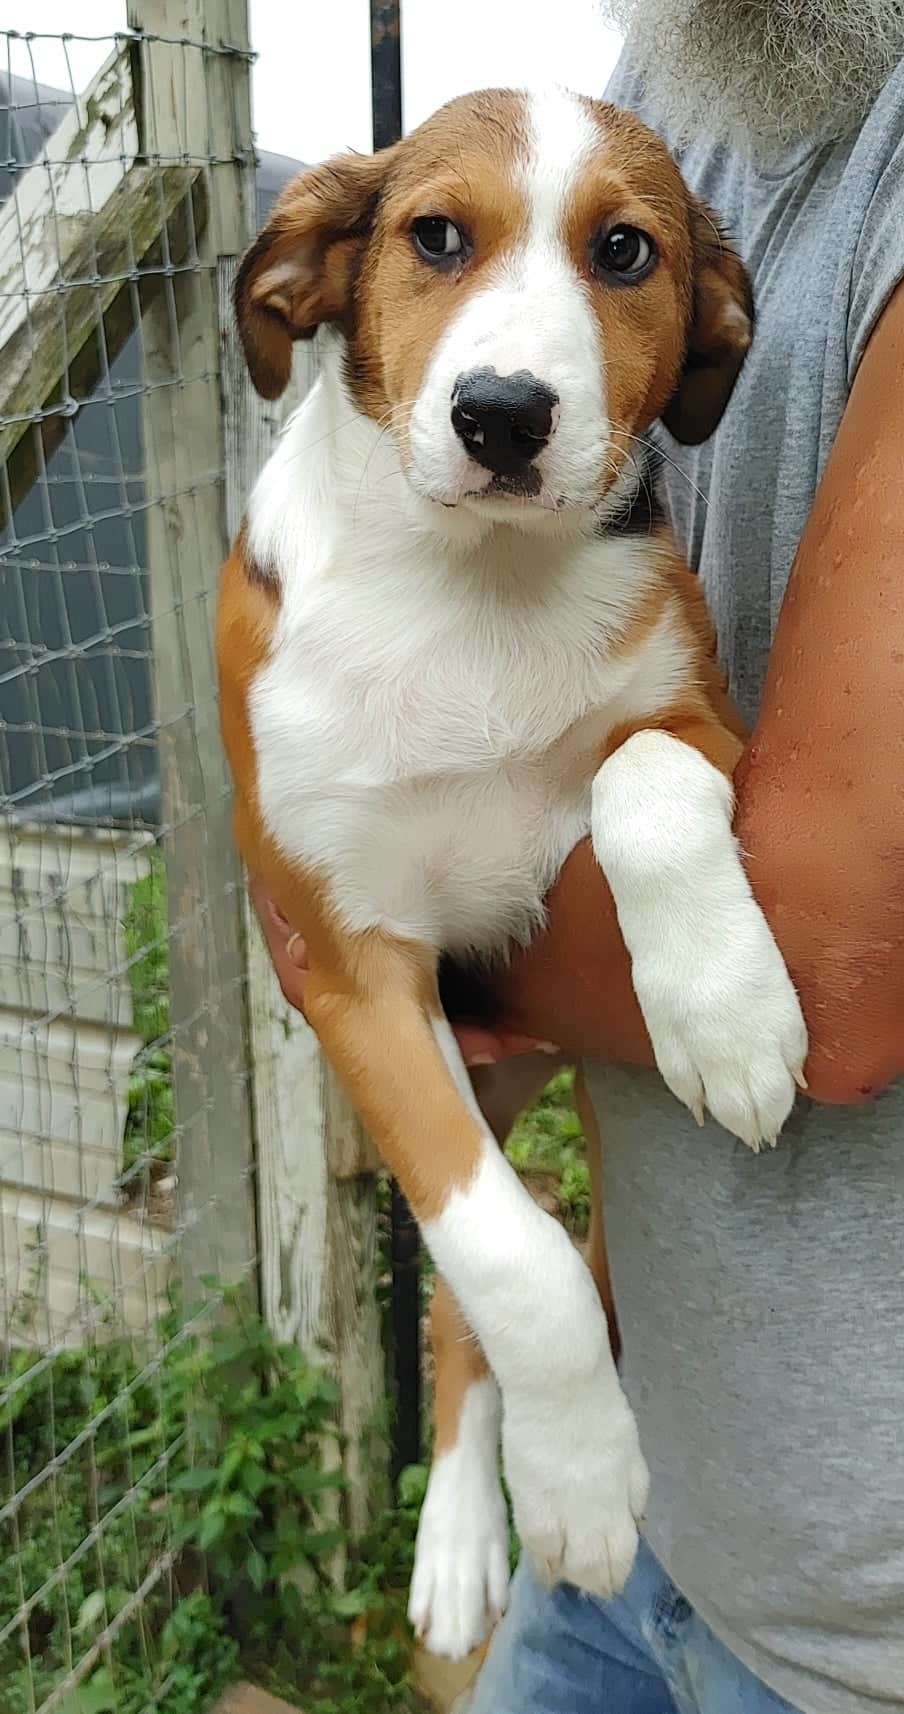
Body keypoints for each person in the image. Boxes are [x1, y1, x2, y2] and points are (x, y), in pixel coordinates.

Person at [250, 2, 904, 1706]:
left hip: (850, 1626)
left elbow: (830, 961)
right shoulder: (664, 86)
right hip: (634, 1508)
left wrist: (381, 922)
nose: (522, 334)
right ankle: (461, 1441)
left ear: (701, 319)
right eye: (446, 245)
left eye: (621, 259)